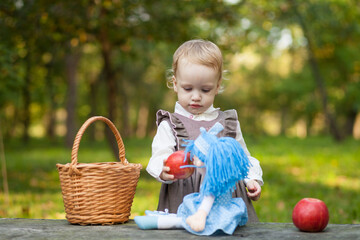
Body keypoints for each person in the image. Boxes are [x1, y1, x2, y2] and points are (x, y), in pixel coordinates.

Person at [146, 39, 263, 222]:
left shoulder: (228, 123)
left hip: (227, 199)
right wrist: (163, 169)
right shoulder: (170, 125)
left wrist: (252, 179)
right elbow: (159, 156)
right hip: (183, 198)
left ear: (217, 87)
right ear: (175, 84)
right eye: (188, 88)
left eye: (205, 90)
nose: (196, 97)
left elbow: (241, 158)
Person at [135, 123, 251, 235]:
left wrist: (201, 214)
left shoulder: (212, 183)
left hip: (214, 212)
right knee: (184, 217)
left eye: (195, 155)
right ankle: (160, 219)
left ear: (202, 159)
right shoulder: (218, 178)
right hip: (218, 207)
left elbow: (208, 200)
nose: (192, 159)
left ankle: (159, 221)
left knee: (183, 221)